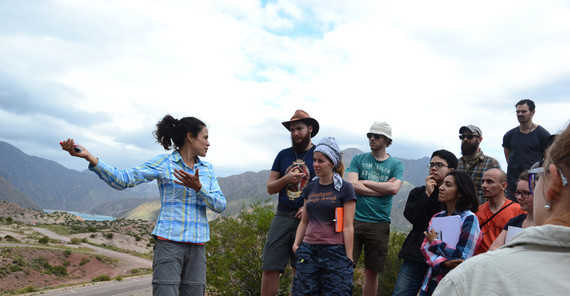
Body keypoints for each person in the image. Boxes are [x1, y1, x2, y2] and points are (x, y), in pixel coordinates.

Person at [60, 115, 226, 296]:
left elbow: (220, 205)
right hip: (169, 244)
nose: (208, 143)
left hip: (198, 246)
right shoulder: (164, 163)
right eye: (205, 137)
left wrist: (199, 188)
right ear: (190, 137)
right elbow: (123, 180)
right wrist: (90, 158)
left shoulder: (207, 169)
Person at [433, 123, 570, 295]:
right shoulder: (477, 212)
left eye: (536, 181)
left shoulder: (467, 281)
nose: (484, 186)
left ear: (555, 183)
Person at [261, 109, 319, 296]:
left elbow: (329, 187)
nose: (295, 133)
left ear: (310, 128)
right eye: (292, 130)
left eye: (299, 129)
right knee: (270, 266)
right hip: (283, 214)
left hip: (308, 219)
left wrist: (310, 206)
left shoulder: (319, 155)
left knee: (300, 268)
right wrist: (287, 179)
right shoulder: (283, 155)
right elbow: (270, 188)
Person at [291, 137, 357, 295]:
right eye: (314, 160)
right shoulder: (311, 187)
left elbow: (348, 226)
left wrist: (348, 258)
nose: (315, 164)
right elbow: (304, 221)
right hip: (308, 251)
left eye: (320, 161)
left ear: (332, 162)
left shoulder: (345, 188)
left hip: (335, 252)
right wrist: (296, 246)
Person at [346, 121, 405, 296]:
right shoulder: (358, 159)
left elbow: (394, 189)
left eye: (376, 136)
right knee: (346, 266)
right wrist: (381, 190)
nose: (371, 138)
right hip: (353, 220)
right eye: (369, 135)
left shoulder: (396, 165)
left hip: (379, 223)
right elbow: (350, 185)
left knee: (372, 272)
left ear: (387, 140)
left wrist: (363, 182)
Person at [392, 150, 457, 296]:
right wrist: (428, 194)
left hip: (442, 258)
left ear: (451, 170)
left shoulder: (455, 197)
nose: (434, 168)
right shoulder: (418, 192)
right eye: (431, 164)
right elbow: (413, 217)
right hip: (415, 255)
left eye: (439, 165)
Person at [420, 171, 481, 296]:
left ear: (459, 192)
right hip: (430, 282)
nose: (441, 187)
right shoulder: (437, 217)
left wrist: (436, 243)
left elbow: (461, 258)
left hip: (452, 286)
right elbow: (425, 248)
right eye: (442, 183)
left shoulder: (469, 219)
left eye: (448, 185)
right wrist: (444, 263)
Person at [503, 99, 551, 201]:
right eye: (518, 112)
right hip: (513, 185)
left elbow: (547, 161)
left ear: (532, 112)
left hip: (533, 184)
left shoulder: (543, 135)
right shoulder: (509, 135)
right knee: (513, 214)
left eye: (523, 111)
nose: (520, 114)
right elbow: (509, 159)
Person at [474, 168, 525, 254]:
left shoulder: (518, 211)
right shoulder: (477, 211)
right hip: (480, 261)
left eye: (489, 182)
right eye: (483, 181)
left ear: (503, 186)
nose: (484, 185)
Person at [488, 170, 534, 251]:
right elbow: (493, 250)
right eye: (518, 193)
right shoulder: (515, 221)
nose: (519, 197)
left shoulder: (550, 223)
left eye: (526, 193)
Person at [456, 125, 501, 202]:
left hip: (482, 211)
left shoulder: (491, 163)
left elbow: (500, 191)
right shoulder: (456, 163)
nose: (465, 139)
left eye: (470, 137)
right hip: (458, 211)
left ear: (480, 139)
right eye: (462, 137)